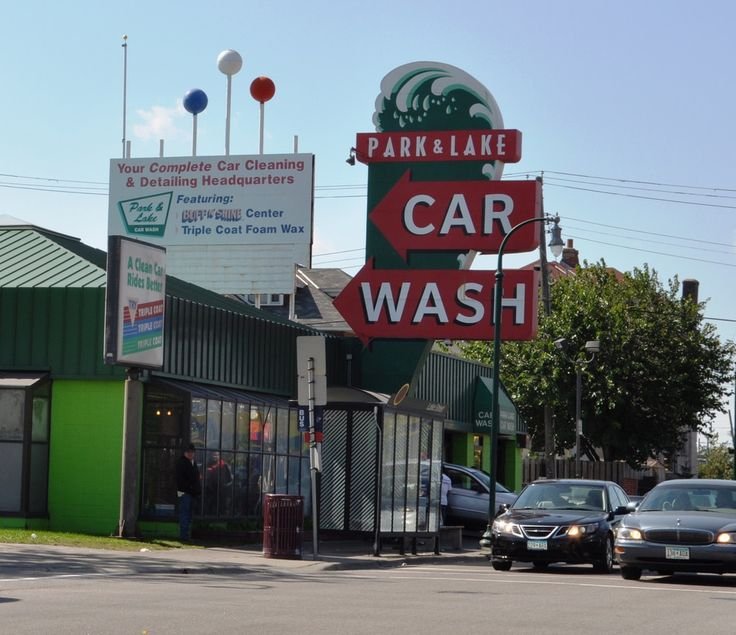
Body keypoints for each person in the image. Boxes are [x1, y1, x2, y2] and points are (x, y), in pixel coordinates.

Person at [176, 443, 201, 541]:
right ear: (185, 453)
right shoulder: (182, 462)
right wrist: (190, 488)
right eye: (189, 452)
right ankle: (184, 536)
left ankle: (186, 535)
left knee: (189, 514)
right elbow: (181, 480)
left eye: (192, 452)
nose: (191, 454)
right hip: (185, 492)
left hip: (191, 492)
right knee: (185, 513)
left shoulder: (192, 462)